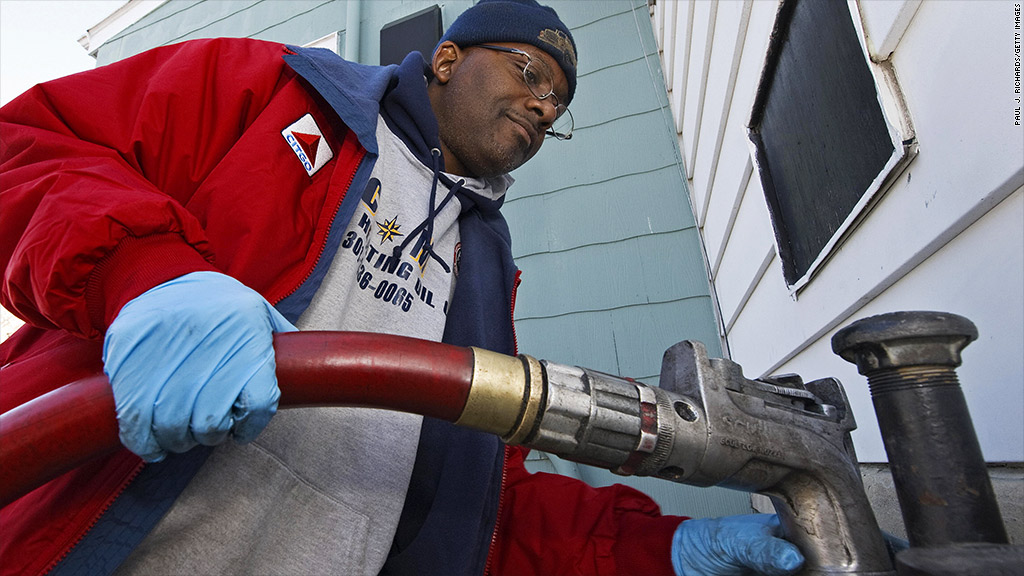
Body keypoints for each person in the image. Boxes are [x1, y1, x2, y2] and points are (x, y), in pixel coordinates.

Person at [0, 1, 804, 574]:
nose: (541, 101)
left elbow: (485, 498)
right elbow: (27, 146)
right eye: (528, 71)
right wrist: (144, 276)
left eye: (557, 103)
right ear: (448, 58)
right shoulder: (277, 90)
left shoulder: (488, 271)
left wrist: (659, 551)